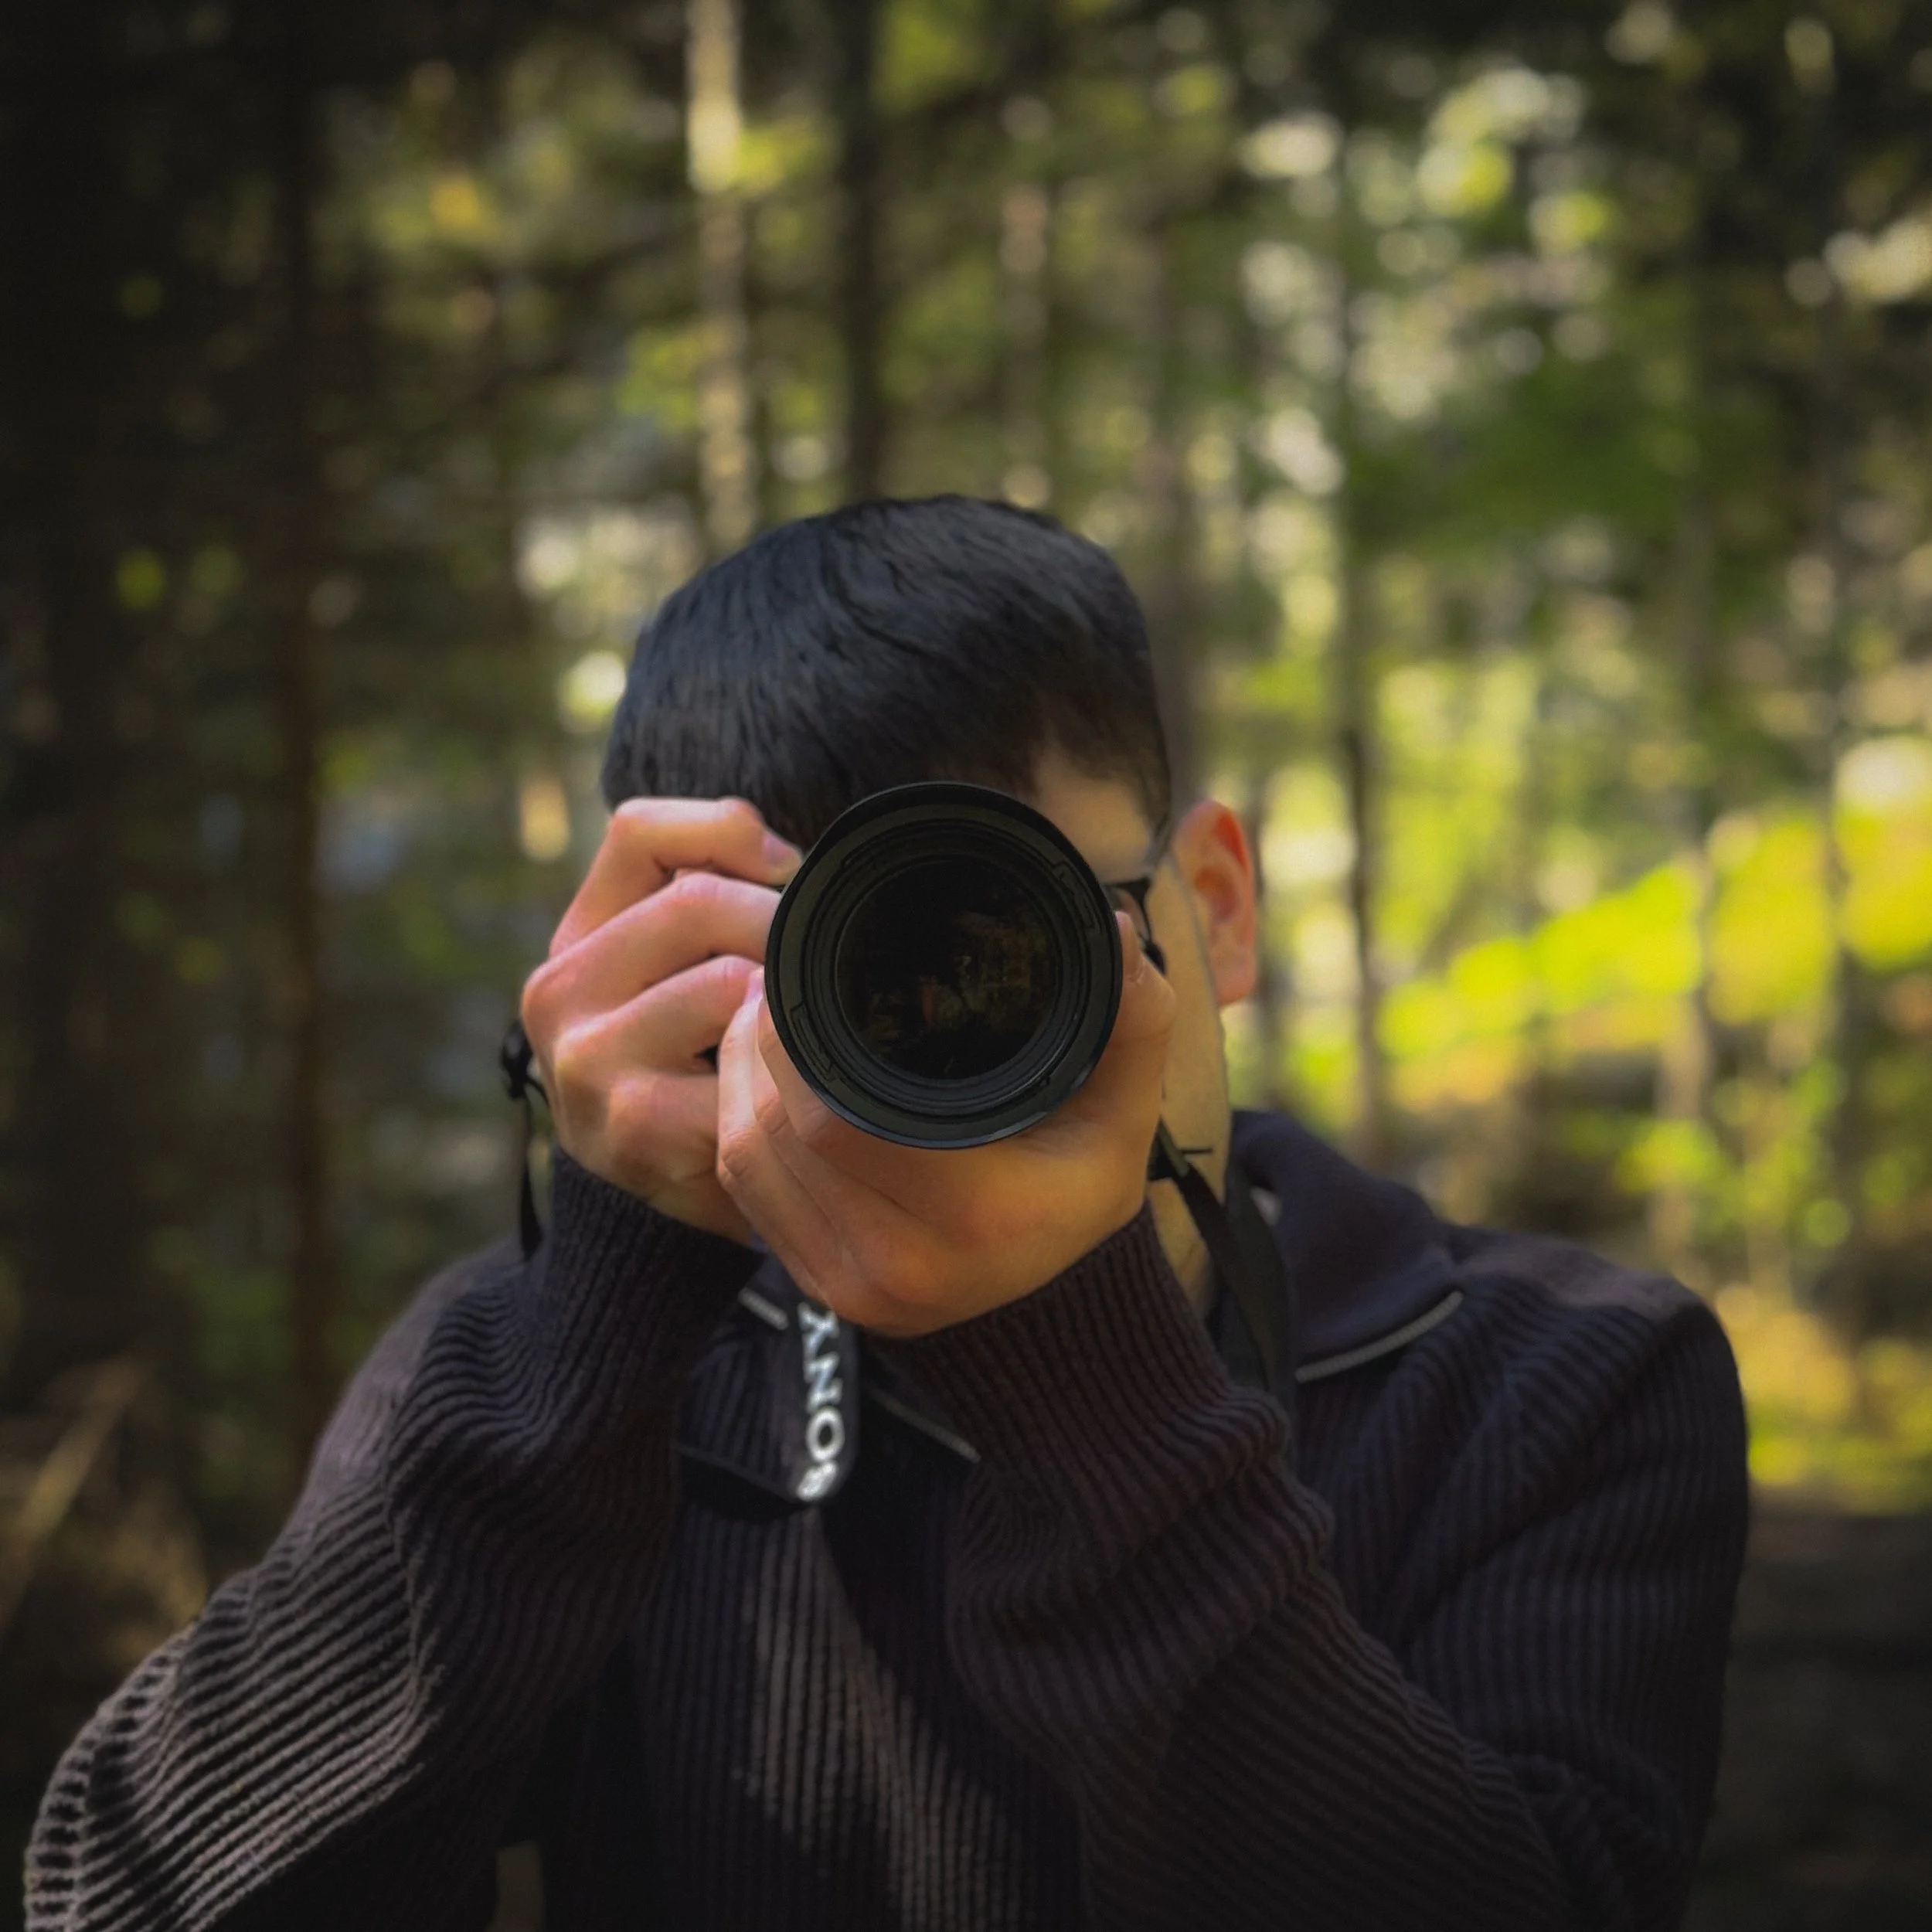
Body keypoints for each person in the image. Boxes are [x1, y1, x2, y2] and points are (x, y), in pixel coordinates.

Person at [26, 497, 1749, 1932]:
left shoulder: (1559, 1377)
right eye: (845, 968)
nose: (937, 1030)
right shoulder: (560, 1381)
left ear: (1214, 911)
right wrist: (595, 1321)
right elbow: (122, 1899)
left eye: (1003, 935)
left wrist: (1076, 1371)